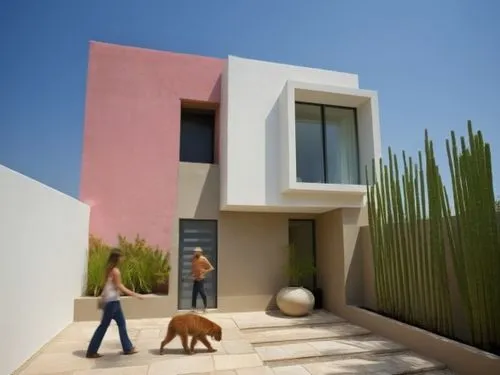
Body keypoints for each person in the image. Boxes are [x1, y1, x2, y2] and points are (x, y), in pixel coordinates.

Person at [86, 248, 144, 358]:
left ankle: (128, 348)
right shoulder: (116, 271)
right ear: (117, 258)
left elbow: (107, 286)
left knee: (121, 324)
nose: (123, 258)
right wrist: (135, 294)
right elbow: (119, 286)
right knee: (104, 326)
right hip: (112, 303)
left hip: (112, 301)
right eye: (122, 256)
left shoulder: (108, 269)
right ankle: (91, 351)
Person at [191, 247, 215, 312]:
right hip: (195, 279)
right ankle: (193, 308)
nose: (195, 252)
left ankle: (205, 307)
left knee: (202, 293)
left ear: (200, 252)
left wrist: (205, 271)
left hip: (201, 279)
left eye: (196, 251)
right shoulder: (193, 259)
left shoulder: (204, 259)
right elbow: (193, 267)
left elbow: (211, 268)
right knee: (194, 294)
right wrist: (192, 274)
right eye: (194, 251)